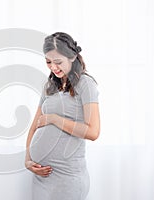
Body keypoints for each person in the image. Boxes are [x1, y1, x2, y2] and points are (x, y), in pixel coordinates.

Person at [25, 32, 100, 200]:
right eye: (48, 62)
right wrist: (28, 160)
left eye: (58, 62)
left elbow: (93, 132)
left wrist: (54, 119)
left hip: (68, 179)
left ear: (72, 57)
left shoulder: (85, 84)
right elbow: (35, 125)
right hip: (41, 178)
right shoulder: (49, 86)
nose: (53, 67)